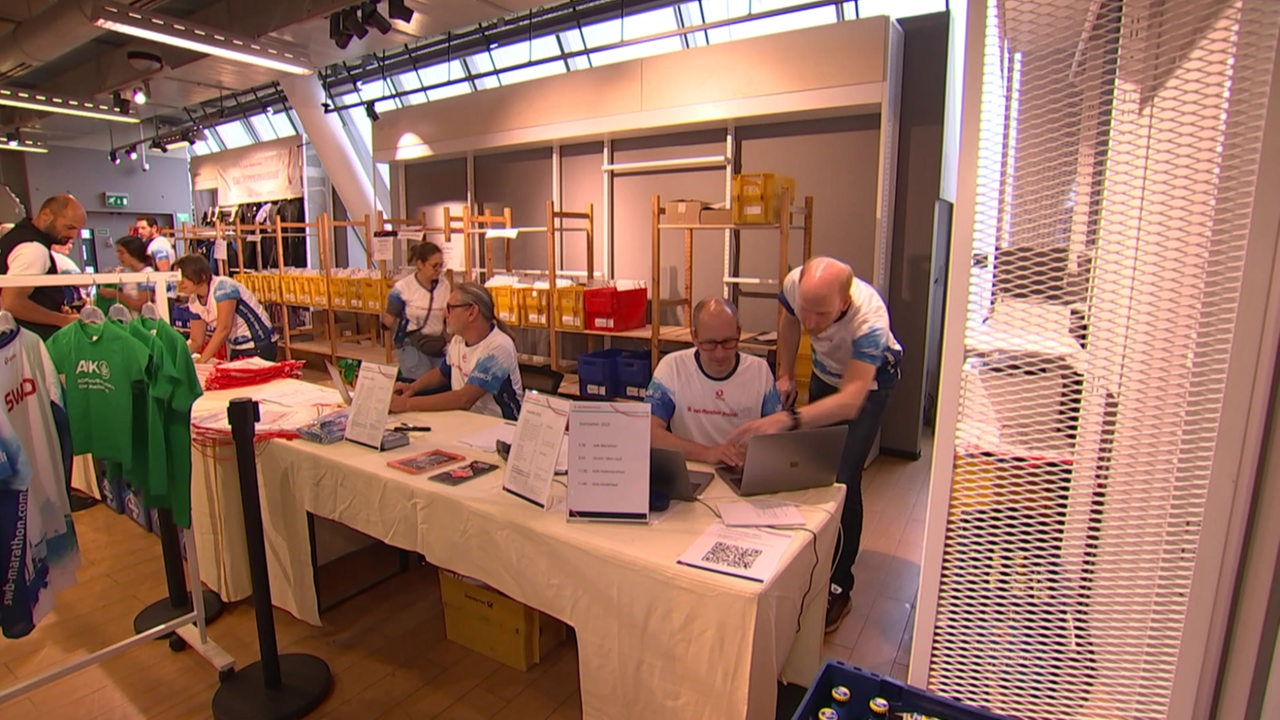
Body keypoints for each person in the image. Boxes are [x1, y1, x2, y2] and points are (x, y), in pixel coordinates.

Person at [728, 256, 902, 633]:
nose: (811, 323)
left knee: (842, 475)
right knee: (813, 469)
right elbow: (790, 320)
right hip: (826, 371)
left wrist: (786, 419)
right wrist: (785, 374)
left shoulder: (870, 322)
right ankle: (808, 559)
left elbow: (852, 398)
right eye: (807, 309)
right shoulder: (796, 285)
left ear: (844, 302)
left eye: (820, 315)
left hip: (868, 386)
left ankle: (840, 584)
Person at [645, 298, 781, 466]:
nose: (719, 354)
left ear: (739, 333)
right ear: (694, 336)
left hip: (741, 469)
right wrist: (707, 453)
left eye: (728, 342)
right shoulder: (672, 367)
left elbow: (778, 437)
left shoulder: (759, 371)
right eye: (709, 343)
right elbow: (648, 431)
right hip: (692, 468)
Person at [389, 282, 523, 420]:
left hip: (499, 426)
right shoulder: (458, 340)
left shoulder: (498, 347)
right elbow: (441, 373)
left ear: (472, 312)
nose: (445, 314)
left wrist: (406, 404)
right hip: (468, 421)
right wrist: (412, 388)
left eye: (450, 308)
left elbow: (465, 399)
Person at [0, 195, 87, 339]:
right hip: (29, 340)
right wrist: (61, 320)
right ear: (46, 215)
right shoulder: (33, 249)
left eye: (78, 230)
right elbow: (13, 303)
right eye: (69, 227)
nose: (73, 235)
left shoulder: (15, 237)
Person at [174, 253, 278, 362]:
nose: (180, 283)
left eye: (185, 277)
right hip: (236, 347)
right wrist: (176, 357)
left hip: (259, 344)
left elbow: (223, 329)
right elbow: (196, 340)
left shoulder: (223, 288)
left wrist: (202, 360)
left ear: (202, 275)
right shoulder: (194, 301)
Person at [382, 242, 451, 381]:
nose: (438, 270)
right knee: (420, 384)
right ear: (420, 264)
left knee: (441, 384)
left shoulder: (444, 285)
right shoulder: (403, 287)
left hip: (436, 344)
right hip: (411, 344)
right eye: (434, 266)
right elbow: (388, 320)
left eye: (441, 265)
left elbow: (447, 315)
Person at [97, 236, 155, 315]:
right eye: (117, 252)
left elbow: (143, 306)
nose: (118, 256)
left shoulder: (147, 273)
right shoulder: (129, 273)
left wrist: (115, 294)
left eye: (122, 253)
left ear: (133, 252)